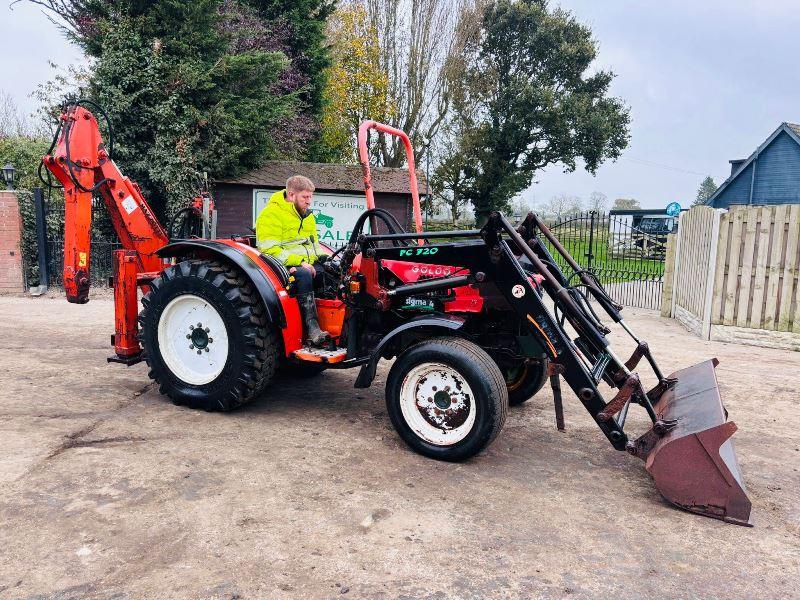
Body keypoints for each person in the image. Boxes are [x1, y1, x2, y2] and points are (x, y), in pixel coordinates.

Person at [256, 175, 329, 346]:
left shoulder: (307, 216)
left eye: (310, 197)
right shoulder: (271, 214)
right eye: (305, 197)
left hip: (304, 262)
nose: (309, 201)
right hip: (280, 264)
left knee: (329, 273)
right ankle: (312, 329)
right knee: (304, 275)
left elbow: (314, 245)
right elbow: (269, 249)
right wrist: (300, 261)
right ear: (291, 195)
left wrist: (327, 259)